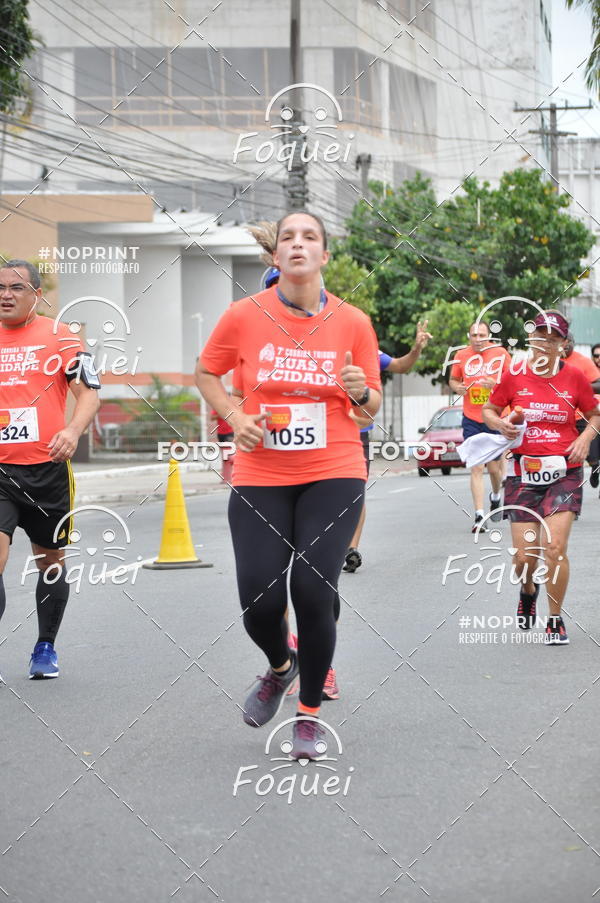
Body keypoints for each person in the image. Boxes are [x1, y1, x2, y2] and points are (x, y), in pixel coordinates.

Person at [196, 211, 382, 759]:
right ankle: (281, 667)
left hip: (335, 469)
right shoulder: (243, 316)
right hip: (262, 472)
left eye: (310, 237)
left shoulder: (354, 322)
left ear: (325, 255)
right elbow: (206, 372)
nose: (299, 244)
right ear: (275, 255)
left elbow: (369, 410)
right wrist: (235, 416)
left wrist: (359, 390)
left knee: (313, 589)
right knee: (259, 600)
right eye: (288, 238)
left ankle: (308, 714)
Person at [0, 259, 100, 680]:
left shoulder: (62, 337)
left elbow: (89, 393)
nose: (6, 295)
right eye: (0, 287)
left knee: (50, 561)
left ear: (37, 296)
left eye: (16, 287)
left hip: (47, 470)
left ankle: (45, 646)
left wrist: (73, 431)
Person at [482, 310, 600, 645]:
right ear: (531, 339)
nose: (544, 344)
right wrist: (499, 423)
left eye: (552, 339)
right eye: (539, 337)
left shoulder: (575, 378)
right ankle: (528, 589)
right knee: (524, 557)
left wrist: (585, 439)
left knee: (555, 548)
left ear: (563, 344)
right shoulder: (514, 375)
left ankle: (555, 619)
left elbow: (595, 414)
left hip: (565, 471)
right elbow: (489, 409)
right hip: (524, 472)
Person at [343, 321, 433, 574]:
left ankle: (351, 549)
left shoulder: (370, 352)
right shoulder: (323, 349)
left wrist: (416, 348)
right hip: (329, 432)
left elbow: (401, 366)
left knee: (356, 491)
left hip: (359, 433)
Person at [449, 320, 511, 532]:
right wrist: (458, 388)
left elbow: (513, 382)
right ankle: (479, 516)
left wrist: (496, 385)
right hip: (471, 418)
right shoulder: (461, 355)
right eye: (474, 335)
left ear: (489, 336)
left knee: (494, 469)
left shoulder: (500, 353)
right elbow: (453, 380)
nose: (478, 339)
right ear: (469, 336)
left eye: (482, 335)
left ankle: (496, 496)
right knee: (476, 466)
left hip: (494, 417)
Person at [561, 333, 600, 490]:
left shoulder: (583, 361)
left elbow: (598, 384)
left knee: (592, 456)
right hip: (560, 418)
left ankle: (595, 467)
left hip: (581, 416)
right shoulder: (550, 362)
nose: (564, 345)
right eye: (560, 342)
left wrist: (580, 387)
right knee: (568, 457)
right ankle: (569, 489)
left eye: (567, 342)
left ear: (573, 342)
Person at [209, 401, 235, 484]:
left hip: (230, 432)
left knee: (229, 455)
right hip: (221, 433)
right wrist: (221, 414)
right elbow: (212, 418)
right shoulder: (217, 407)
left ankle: (232, 475)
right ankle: (225, 477)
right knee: (224, 457)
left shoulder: (231, 406)